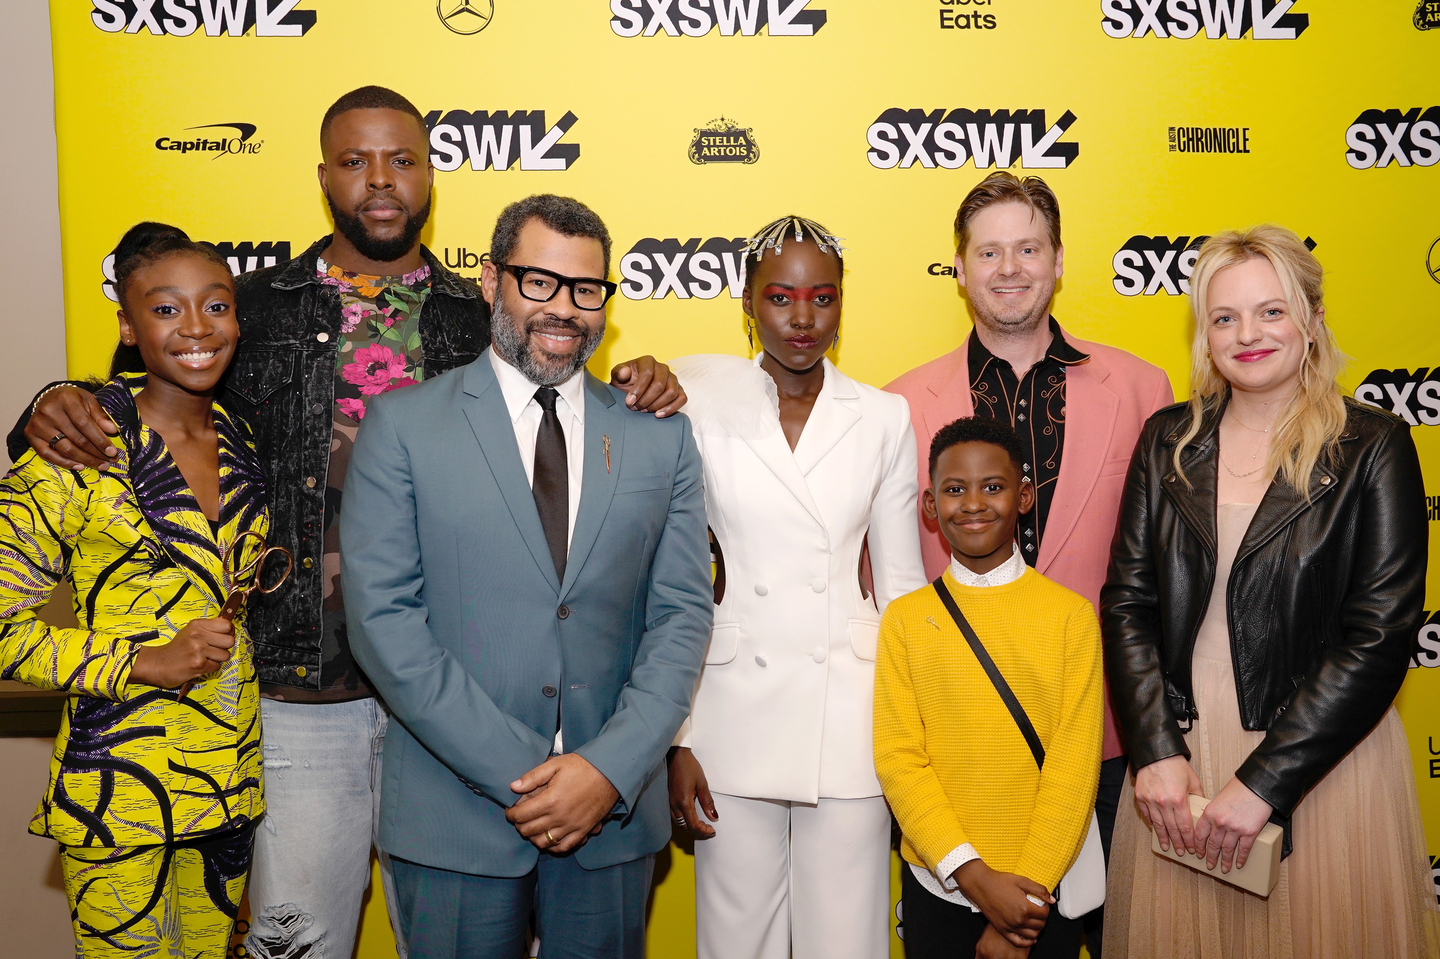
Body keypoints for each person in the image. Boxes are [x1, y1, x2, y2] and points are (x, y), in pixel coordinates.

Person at [11, 88, 685, 959]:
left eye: (402, 160)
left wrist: (640, 377)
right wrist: (47, 399)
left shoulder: (482, 311)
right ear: (323, 175)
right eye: (356, 161)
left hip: (462, 696)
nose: (380, 181)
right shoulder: (249, 308)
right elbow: (139, 393)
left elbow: (565, 382)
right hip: (300, 692)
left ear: (431, 176)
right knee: (303, 943)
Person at [340, 194, 713, 959]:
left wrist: (604, 771)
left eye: (585, 289)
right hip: (453, 816)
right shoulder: (402, 427)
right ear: (489, 280)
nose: (563, 309)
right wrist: (532, 773)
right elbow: (383, 622)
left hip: (609, 818)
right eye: (537, 281)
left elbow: (680, 617)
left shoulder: (660, 439)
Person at [1101, 225, 1440, 958]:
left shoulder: (1372, 445)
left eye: (1271, 311)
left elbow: (1379, 634)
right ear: (1204, 333)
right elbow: (1129, 602)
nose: (1247, 334)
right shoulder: (1167, 441)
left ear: (1312, 321)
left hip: (1321, 762)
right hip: (1181, 763)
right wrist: (1155, 749)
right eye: (1225, 317)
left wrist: (1264, 781)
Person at [884, 171, 1172, 956]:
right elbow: (882, 576)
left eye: (1027, 248)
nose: (1009, 267)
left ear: (1058, 259)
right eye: (989, 251)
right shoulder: (898, 405)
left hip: (1107, 738)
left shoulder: (1144, 389)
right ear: (961, 267)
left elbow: (1168, 570)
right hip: (955, 750)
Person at [0, 223, 268, 957]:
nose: (195, 328)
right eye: (166, 308)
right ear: (126, 322)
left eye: (216, 306)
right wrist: (141, 660)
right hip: (118, 786)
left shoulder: (246, 437)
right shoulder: (76, 448)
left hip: (229, 784)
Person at [664, 216, 927, 959]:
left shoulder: (882, 416)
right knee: (733, 942)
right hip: (727, 715)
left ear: (844, 302)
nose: (803, 318)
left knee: (847, 942)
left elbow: (902, 587)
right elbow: (677, 586)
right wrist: (675, 739)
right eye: (780, 296)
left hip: (851, 713)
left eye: (823, 297)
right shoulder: (696, 405)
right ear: (746, 303)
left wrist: (913, 737)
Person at [875, 416, 1102, 959]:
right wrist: (972, 876)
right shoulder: (906, 620)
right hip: (940, 884)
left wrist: (1018, 908)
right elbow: (899, 759)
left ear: (1024, 496)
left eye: (993, 487)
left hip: (1041, 891)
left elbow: (1073, 768)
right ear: (930, 506)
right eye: (954, 490)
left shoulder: (1071, 616)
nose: (972, 503)